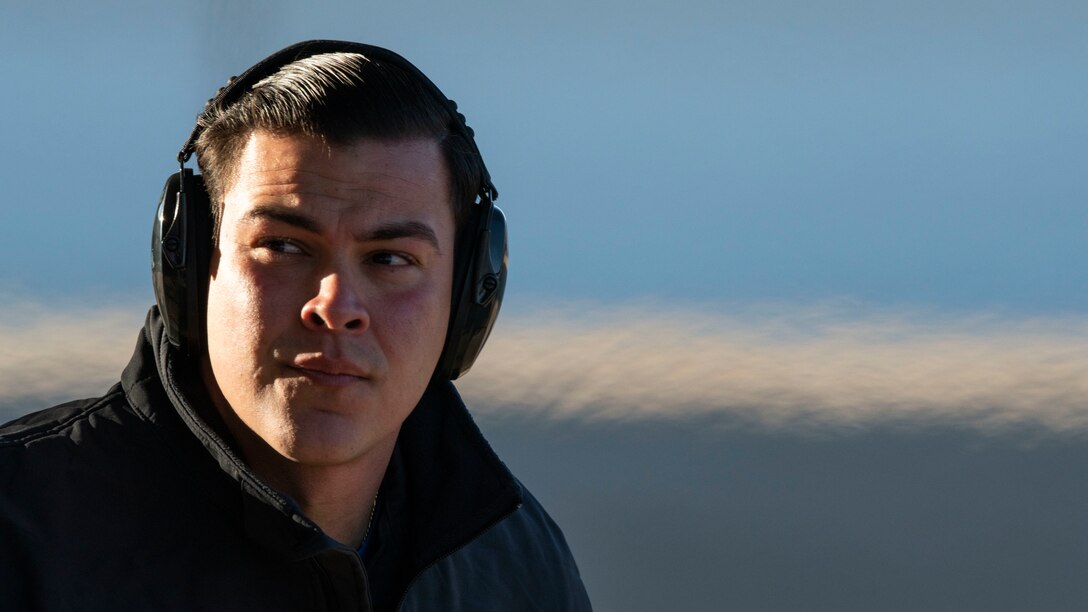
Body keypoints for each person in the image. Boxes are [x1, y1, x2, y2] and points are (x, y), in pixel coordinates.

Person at [0, 40, 591, 611]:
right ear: (187, 264)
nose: (334, 306)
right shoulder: (21, 535)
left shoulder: (516, 567)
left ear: (467, 301)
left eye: (389, 259)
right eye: (283, 246)